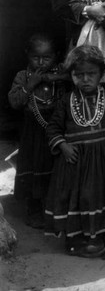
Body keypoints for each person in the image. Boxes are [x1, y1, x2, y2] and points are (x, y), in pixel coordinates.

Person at [44, 45, 105, 258]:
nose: (85, 79)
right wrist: (63, 146)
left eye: (91, 74)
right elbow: (53, 128)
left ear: (101, 74)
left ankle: (97, 237)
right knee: (78, 199)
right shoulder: (66, 100)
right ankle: (75, 240)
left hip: (103, 161)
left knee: (98, 197)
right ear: (71, 76)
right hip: (75, 163)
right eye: (78, 75)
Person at [8, 32, 68, 228]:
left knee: (54, 171)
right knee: (34, 170)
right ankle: (34, 210)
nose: (41, 62)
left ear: (57, 56)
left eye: (47, 58)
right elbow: (15, 102)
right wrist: (31, 84)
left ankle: (54, 209)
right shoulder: (23, 76)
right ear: (27, 55)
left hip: (57, 132)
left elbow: (71, 82)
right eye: (36, 57)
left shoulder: (61, 75)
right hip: (32, 135)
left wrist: (53, 78)